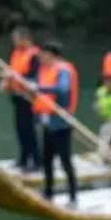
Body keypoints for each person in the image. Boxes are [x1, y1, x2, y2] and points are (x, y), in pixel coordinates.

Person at [31, 40, 79, 206]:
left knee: (65, 161)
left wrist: (41, 88)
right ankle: (48, 192)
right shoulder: (44, 70)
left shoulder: (63, 70)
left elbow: (62, 89)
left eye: (43, 54)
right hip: (47, 122)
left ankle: (73, 197)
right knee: (47, 159)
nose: (40, 57)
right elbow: (33, 85)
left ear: (52, 55)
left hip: (61, 123)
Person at [0, 27, 40, 171]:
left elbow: (35, 78)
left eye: (16, 39)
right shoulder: (16, 53)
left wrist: (16, 79)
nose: (14, 42)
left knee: (29, 130)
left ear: (25, 39)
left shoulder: (35, 56)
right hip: (17, 96)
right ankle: (22, 159)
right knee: (20, 129)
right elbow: (12, 71)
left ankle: (36, 162)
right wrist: (5, 82)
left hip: (28, 97)